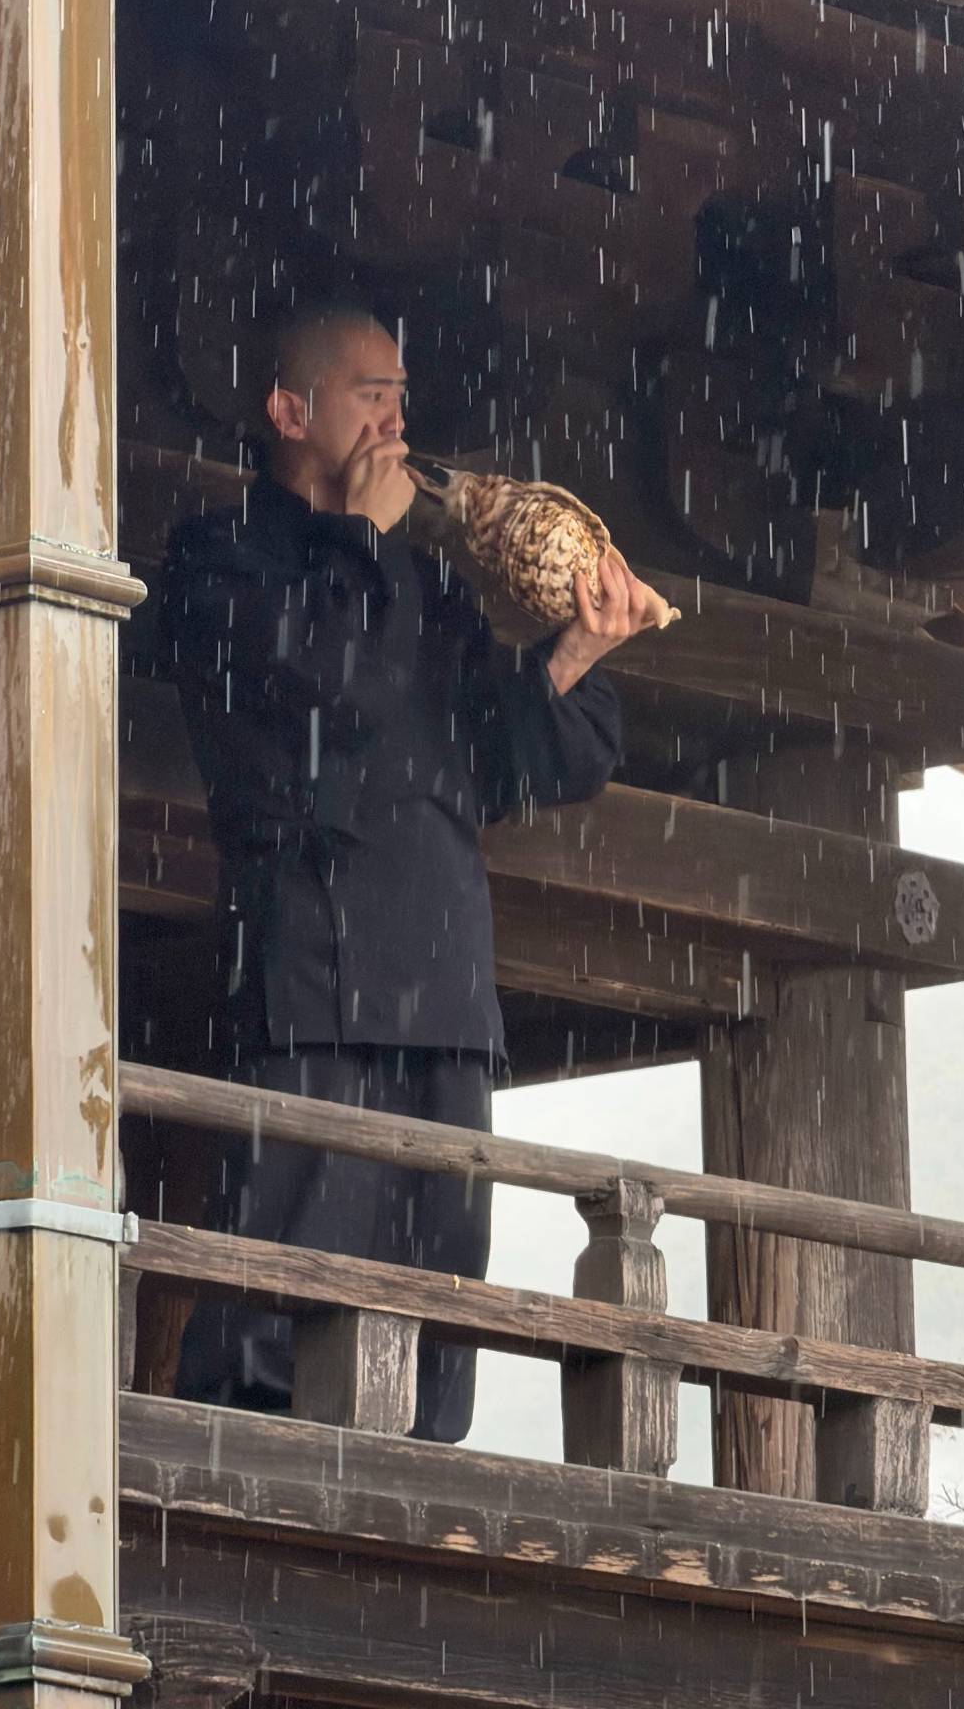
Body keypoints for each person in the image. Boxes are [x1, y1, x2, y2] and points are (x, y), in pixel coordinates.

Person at [160, 301, 657, 1441]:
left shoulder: (427, 586)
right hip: (311, 967)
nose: (395, 420)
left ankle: (422, 1465)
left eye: (400, 397)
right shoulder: (221, 556)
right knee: (289, 1265)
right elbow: (309, 688)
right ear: (290, 411)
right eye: (369, 394)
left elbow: (513, 761)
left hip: (445, 985)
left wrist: (579, 647)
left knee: (440, 1275)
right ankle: (247, 1462)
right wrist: (361, 538)